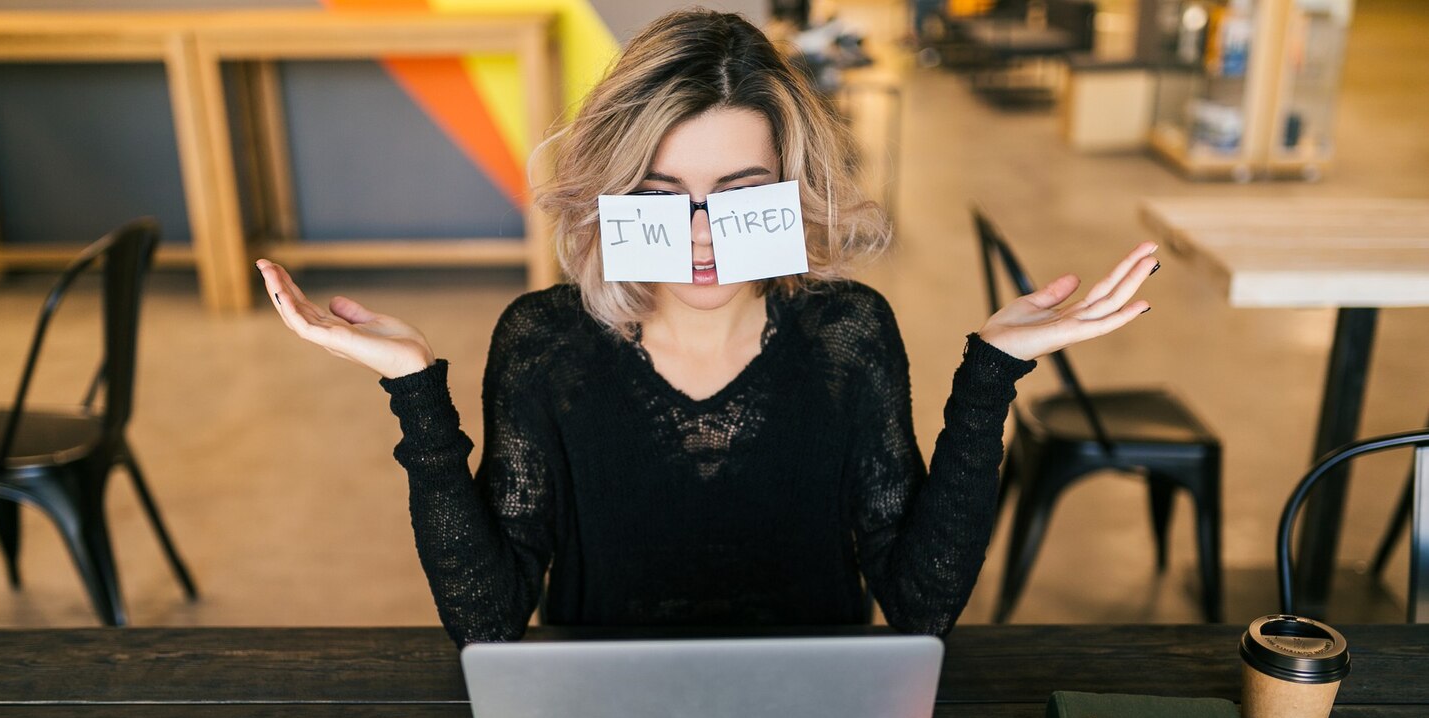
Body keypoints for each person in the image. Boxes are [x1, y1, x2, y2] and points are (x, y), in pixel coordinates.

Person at [257, 10, 1157, 647]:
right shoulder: (543, 344)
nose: (699, 241)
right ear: (611, 200)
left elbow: (919, 609)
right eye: (661, 199)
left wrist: (989, 375)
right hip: (599, 717)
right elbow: (490, 620)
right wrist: (417, 394)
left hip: (817, 716)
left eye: (737, 199)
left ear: (790, 194)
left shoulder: (850, 335)